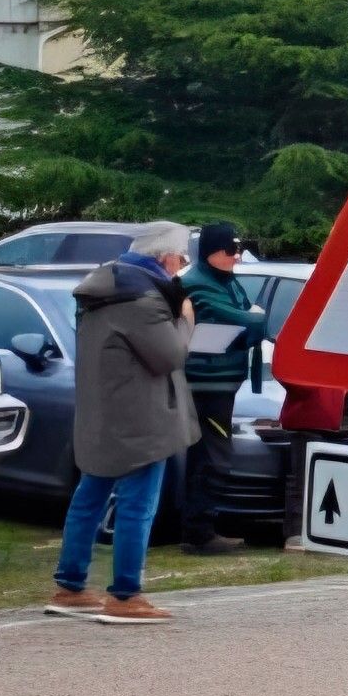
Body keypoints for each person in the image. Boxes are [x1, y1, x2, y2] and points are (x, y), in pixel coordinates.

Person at [47, 222, 196, 623]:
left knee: (89, 498)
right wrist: (185, 318)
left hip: (102, 411)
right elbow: (169, 356)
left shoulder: (104, 289)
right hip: (141, 417)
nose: (181, 268)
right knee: (137, 505)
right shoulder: (143, 298)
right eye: (181, 260)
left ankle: (70, 586)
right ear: (165, 256)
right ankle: (125, 595)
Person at [169, 222, 270, 557]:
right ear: (212, 250)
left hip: (223, 381)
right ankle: (198, 531)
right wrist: (251, 320)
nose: (236, 256)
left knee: (208, 455)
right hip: (206, 385)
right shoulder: (195, 283)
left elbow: (251, 323)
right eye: (230, 250)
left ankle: (200, 528)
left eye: (237, 249)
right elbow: (251, 320)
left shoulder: (226, 280)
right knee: (212, 456)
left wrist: (250, 321)